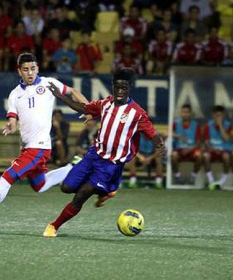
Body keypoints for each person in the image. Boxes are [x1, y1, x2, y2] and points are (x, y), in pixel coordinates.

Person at [0, 53, 88, 228]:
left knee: (7, 177)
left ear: (38, 69)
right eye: (25, 69)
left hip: (39, 148)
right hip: (27, 149)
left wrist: (89, 108)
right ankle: (73, 166)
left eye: (33, 68)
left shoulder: (48, 83)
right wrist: (11, 125)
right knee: (40, 185)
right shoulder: (14, 94)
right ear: (19, 71)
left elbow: (72, 91)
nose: (30, 73)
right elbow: (13, 118)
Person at [42, 68, 166, 237]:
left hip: (110, 165)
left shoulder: (138, 114)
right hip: (93, 156)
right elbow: (83, 107)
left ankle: (53, 226)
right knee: (66, 187)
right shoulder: (105, 104)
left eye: (124, 88)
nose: (120, 91)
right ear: (113, 87)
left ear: (129, 88)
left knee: (81, 195)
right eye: (117, 87)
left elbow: (152, 134)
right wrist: (60, 96)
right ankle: (105, 191)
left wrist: (160, 146)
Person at [202, 105, 233, 191]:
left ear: (223, 115)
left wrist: (220, 126)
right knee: (206, 156)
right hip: (212, 150)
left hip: (224, 150)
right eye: (217, 115)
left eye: (221, 115)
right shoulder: (208, 125)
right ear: (213, 115)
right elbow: (206, 142)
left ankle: (222, 182)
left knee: (226, 157)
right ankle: (211, 181)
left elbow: (226, 138)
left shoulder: (228, 125)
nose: (219, 117)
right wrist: (212, 149)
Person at [171, 104, 202, 184]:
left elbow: (198, 143)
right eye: (183, 112)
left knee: (199, 155)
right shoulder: (176, 123)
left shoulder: (196, 125)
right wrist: (178, 135)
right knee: (173, 155)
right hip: (179, 149)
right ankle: (177, 177)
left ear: (190, 114)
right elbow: (168, 134)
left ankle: (193, 176)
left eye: (187, 112)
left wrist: (190, 148)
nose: (185, 114)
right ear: (181, 113)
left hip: (192, 149)